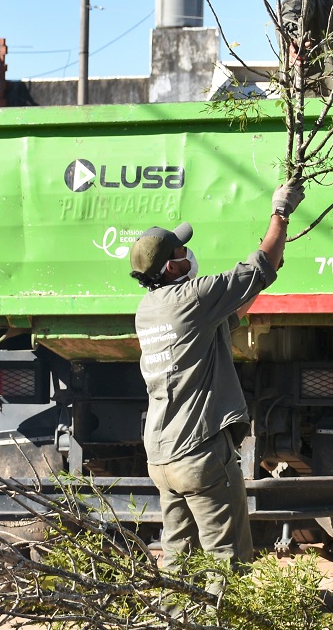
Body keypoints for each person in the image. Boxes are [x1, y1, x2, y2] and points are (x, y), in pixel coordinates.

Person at [130, 180, 304, 564]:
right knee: (228, 560)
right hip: (198, 453)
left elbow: (230, 314)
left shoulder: (149, 310)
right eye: (180, 250)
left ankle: (175, 622)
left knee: (179, 559)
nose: (188, 252)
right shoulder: (193, 297)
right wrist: (281, 212)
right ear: (172, 266)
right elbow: (256, 267)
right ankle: (225, 625)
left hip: (162, 457)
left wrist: (263, 274)